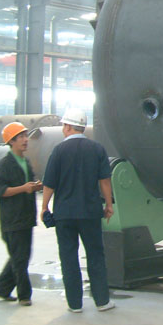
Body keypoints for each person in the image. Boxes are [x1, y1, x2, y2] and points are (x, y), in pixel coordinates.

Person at [41, 108, 115, 313]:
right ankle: (102, 301)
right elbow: (105, 180)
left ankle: (74, 304)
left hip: (64, 214)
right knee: (95, 255)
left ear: (67, 127)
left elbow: (49, 183)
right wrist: (109, 205)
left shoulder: (58, 151)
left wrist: (44, 206)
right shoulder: (97, 149)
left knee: (68, 257)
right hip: (90, 213)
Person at [0, 122, 42, 306]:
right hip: (12, 219)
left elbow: (28, 184)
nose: (25, 140)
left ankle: (1, 289)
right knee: (20, 258)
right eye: (20, 137)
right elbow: (1, 190)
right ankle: (24, 295)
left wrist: (36, 186)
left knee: (20, 256)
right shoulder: (5, 164)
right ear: (11, 141)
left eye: (26, 136)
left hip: (26, 216)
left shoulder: (25, 162)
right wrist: (23, 188)